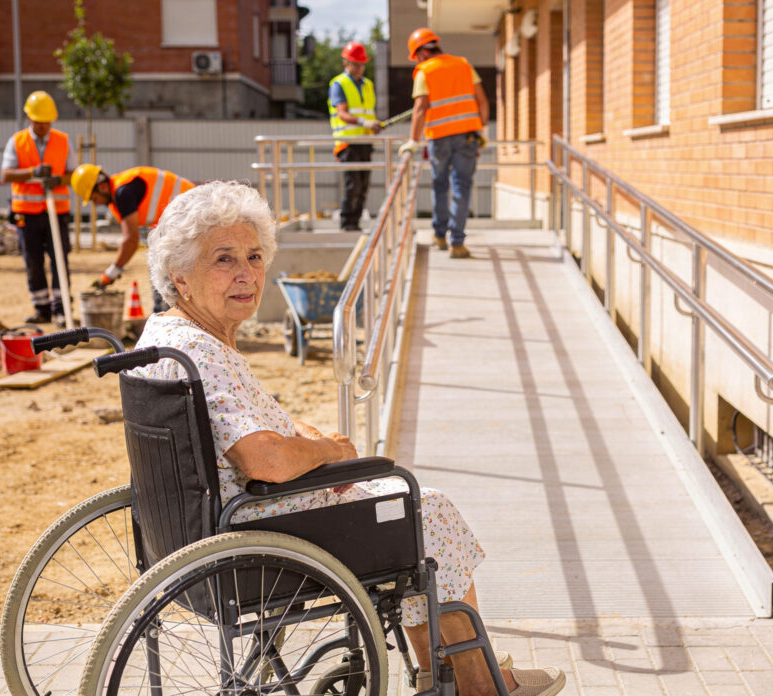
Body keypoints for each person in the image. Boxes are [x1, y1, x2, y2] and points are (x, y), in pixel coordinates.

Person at [133, 180, 565, 696]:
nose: (246, 273)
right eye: (223, 259)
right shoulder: (201, 353)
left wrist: (305, 436)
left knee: (404, 509)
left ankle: (443, 671)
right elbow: (266, 460)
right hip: (261, 532)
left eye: (253, 255)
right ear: (180, 277)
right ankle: (477, 683)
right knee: (424, 509)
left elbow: (244, 423)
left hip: (210, 527)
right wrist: (329, 452)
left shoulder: (167, 338)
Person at [399, 28, 489, 260]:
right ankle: (457, 243)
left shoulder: (424, 72)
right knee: (462, 186)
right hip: (467, 137)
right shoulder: (463, 65)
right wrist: (482, 131)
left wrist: (413, 141)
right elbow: (482, 101)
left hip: (438, 139)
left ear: (421, 53)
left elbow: (420, 109)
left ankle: (439, 236)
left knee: (440, 186)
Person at [70, 163, 194, 312]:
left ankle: (165, 315)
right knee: (161, 272)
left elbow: (131, 240)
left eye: (94, 199)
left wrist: (111, 273)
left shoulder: (123, 192)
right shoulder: (122, 188)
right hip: (185, 217)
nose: (95, 204)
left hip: (189, 217)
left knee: (164, 279)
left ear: (102, 187)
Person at [1, 90, 75, 326]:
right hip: (27, 213)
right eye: (38, 121)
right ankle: (42, 309)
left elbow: (73, 174)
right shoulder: (17, 141)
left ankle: (61, 309)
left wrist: (58, 179)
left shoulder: (62, 141)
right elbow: (6, 174)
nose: (43, 126)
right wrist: (32, 172)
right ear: (29, 118)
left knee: (60, 260)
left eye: (47, 122)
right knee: (33, 261)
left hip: (57, 212)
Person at [329, 41, 381, 231]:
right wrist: (364, 123)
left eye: (362, 64)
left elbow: (367, 112)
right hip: (348, 143)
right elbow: (342, 114)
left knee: (364, 185)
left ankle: (355, 222)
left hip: (365, 142)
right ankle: (347, 223)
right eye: (356, 64)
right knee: (353, 185)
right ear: (346, 63)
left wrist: (372, 126)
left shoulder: (368, 85)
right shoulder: (339, 84)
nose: (359, 68)